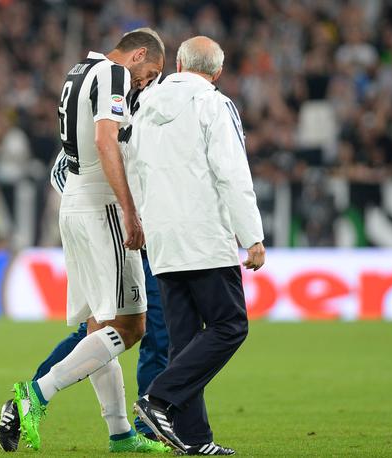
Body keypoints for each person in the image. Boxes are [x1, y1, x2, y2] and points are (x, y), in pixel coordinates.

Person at [0, 30, 166, 453]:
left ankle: (121, 434)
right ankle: (35, 396)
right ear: (139, 55)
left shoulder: (78, 71)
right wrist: (128, 208)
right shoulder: (112, 74)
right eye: (150, 72)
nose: (146, 81)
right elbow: (104, 138)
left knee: (98, 326)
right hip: (101, 205)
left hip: (73, 203)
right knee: (132, 325)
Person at [129, 36, 266, 456]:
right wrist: (252, 236)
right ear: (217, 72)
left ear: (180, 63)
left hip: (164, 240)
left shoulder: (146, 105)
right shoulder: (214, 104)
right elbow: (232, 172)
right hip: (204, 236)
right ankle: (158, 397)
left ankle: (194, 438)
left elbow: (133, 168)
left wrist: (144, 223)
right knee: (230, 325)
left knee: (185, 341)